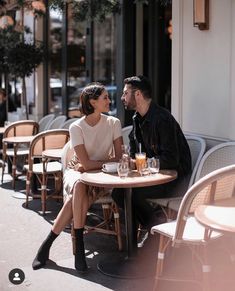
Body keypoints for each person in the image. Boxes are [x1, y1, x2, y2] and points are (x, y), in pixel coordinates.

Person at [32, 82, 123, 272]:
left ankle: (48, 245)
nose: (109, 100)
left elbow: (118, 158)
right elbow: (87, 164)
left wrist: (95, 163)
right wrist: (102, 161)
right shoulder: (76, 127)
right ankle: (79, 247)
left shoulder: (113, 123)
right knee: (80, 185)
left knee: (77, 195)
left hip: (104, 175)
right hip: (78, 173)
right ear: (92, 102)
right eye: (105, 97)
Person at [112, 76, 192, 244]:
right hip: (154, 176)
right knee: (119, 193)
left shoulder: (162, 119)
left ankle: (154, 236)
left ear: (138, 94)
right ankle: (154, 229)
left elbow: (170, 160)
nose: (122, 98)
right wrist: (130, 160)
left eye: (125, 93)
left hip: (176, 180)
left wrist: (141, 163)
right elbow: (134, 151)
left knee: (132, 194)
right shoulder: (136, 118)